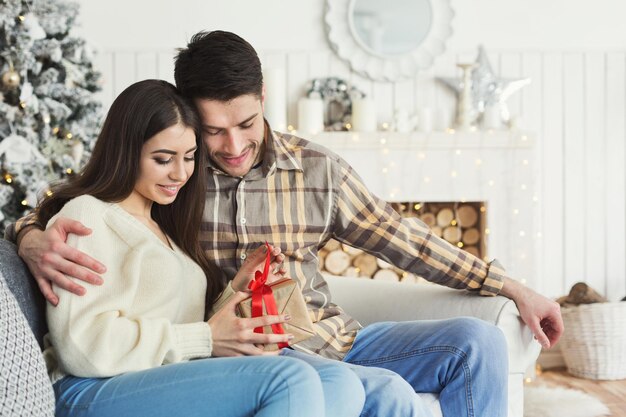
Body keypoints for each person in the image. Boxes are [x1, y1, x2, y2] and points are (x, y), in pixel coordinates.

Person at [10, 31, 563, 416]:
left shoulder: (315, 169)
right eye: (212, 131)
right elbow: (84, 195)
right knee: (380, 392)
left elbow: (404, 240)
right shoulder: (176, 176)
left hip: (337, 336)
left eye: (246, 123)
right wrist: (30, 235)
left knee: (478, 342)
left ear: (264, 98)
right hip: (261, 350)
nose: (231, 146)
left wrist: (510, 286)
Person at [30, 79, 365, 417]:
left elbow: (179, 324)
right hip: (92, 387)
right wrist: (204, 338)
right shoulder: (88, 215)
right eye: (163, 159)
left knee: (340, 382)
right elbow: (81, 346)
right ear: (126, 151)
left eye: (189, 157)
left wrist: (238, 287)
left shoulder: (164, 226)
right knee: (289, 379)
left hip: (162, 376)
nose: (180, 173)